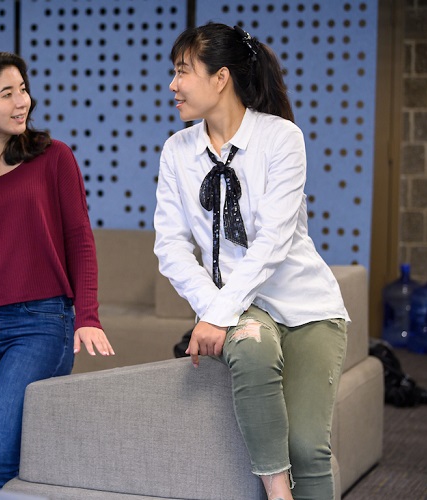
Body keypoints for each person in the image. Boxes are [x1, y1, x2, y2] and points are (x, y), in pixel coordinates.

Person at [153, 24, 349, 500]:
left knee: (307, 447)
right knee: (251, 345)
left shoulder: (282, 138)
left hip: (307, 307)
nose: (173, 85)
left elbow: (273, 242)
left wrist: (216, 313)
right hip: (243, 305)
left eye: (183, 72)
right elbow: (171, 246)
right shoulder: (177, 152)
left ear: (221, 78)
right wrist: (212, 308)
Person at [0, 51, 114, 488]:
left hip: (40, 324)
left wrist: (87, 314)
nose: (22, 102)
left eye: (24, 89)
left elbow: (79, 240)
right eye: (7, 93)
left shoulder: (53, 159)